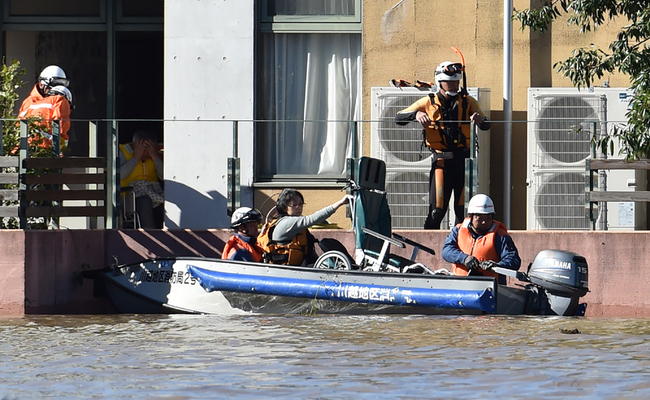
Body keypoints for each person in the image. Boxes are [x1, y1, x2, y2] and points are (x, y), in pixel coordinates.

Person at [395, 61, 490, 229]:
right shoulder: (428, 101)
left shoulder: (468, 102)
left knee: (463, 213)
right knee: (437, 211)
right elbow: (399, 117)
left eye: (457, 82)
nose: (454, 86)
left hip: (464, 162)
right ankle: (428, 249)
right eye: (450, 82)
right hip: (441, 163)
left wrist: (480, 120)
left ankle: (459, 250)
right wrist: (416, 114)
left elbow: (486, 123)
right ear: (440, 82)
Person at [258, 189, 352, 266]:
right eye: (293, 204)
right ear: (284, 208)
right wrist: (341, 202)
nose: (298, 207)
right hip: (288, 270)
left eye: (300, 203)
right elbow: (313, 219)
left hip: (301, 265)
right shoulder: (287, 223)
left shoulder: (293, 221)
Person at [441, 194, 520, 285]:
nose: (484, 222)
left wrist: (497, 266)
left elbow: (513, 259)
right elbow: (447, 251)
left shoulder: (500, 235)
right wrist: (465, 258)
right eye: (480, 218)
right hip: (460, 286)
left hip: (490, 289)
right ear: (470, 217)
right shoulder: (458, 230)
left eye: (488, 218)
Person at [18, 65, 72, 151]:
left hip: (26, 151)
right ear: (41, 84)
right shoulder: (59, 100)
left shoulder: (27, 102)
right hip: (46, 152)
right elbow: (61, 128)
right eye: (55, 84)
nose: (57, 88)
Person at [119, 130, 164, 229]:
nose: (146, 153)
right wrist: (136, 157)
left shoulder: (156, 154)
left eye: (148, 149)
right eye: (143, 149)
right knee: (145, 201)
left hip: (155, 195)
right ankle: (150, 234)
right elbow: (120, 175)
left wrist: (154, 155)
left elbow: (165, 177)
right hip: (129, 197)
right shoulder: (123, 151)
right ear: (134, 145)